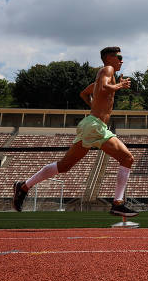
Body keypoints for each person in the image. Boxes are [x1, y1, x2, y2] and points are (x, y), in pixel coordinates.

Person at [12, 46, 137, 217]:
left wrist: (94, 106)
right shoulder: (107, 70)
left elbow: (84, 93)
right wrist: (120, 86)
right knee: (127, 158)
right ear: (108, 58)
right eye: (119, 57)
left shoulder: (102, 76)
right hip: (95, 126)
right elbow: (103, 88)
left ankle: (23, 186)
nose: (122, 60)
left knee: (64, 166)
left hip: (91, 124)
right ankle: (118, 203)